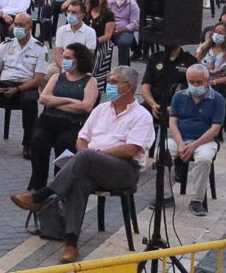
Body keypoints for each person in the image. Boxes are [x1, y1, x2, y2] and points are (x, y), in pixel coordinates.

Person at [10, 66, 151, 263]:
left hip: (124, 169)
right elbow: (81, 139)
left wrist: (97, 154)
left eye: (113, 82)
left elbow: (131, 150)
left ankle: (42, 194)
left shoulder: (142, 116)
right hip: (91, 166)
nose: (108, 86)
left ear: (128, 87)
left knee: (85, 157)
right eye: (109, 81)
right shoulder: (101, 109)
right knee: (79, 181)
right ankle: (71, 242)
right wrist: (88, 153)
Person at [26, 43, 99, 190]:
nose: (64, 60)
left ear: (79, 60)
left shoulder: (90, 81)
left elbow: (85, 106)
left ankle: (60, 184)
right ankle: (38, 183)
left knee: (64, 143)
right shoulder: (56, 77)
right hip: (51, 121)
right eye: (63, 56)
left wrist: (55, 102)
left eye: (68, 58)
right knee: (38, 140)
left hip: (74, 124)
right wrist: (69, 101)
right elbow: (43, 99)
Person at [0, 14, 50, 155]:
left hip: (26, 85)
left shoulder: (40, 49)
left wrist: (17, 89)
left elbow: (39, 79)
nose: (17, 28)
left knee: (30, 101)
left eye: (21, 25)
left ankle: (28, 143)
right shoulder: (6, 45)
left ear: (30, 27)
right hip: (5, 84)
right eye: (15, 24)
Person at [165, 64, 225, 217]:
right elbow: (172, 122)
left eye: (199, 82)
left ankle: (197, 200)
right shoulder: (179, 96)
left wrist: (194, 145)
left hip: (205, 141)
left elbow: (215, 129)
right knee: (162, 154)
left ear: (207, 80)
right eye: (191, 82)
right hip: (180, 138)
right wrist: (180, 144)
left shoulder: (217, 100)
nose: (195, 86)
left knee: (204, 159)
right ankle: (165, 195)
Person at [140, 43, 197, 117]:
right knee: (138, 115)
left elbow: (194, 90)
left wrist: (175, 107)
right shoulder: (155, 58)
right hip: (155, 102)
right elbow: (145, 87)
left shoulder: (190, 61)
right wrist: (153, 105)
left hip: (179, 104)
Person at [196, 22, 226, 100]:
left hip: (220, 85)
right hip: (203, 83)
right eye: (215, 32)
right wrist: (202, 48)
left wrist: (212, 82)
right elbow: (196, 65)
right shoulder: (205, 49)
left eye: (220, 33)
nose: (217, 34)